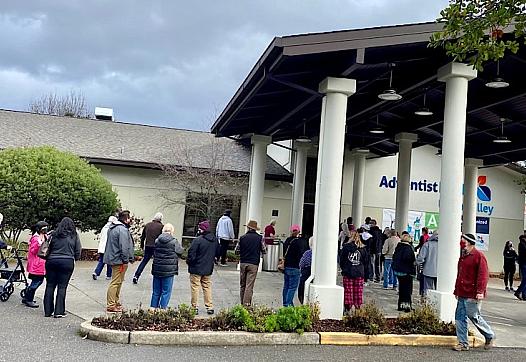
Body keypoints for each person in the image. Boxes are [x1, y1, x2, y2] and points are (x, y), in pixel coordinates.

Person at [453, 233, 495, 351]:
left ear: (469, 242)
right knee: (460, 318)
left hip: (472, 294)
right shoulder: (463, 256)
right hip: (462, 292)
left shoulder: (478, 256)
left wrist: (480, 291)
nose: (461, 242)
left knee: (474, 316)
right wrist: (457, 290)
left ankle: (489, 335)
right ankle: (463, 343)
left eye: (463, 240)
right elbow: (460, 275)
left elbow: (483, 275)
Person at [43, 217, 81, 318]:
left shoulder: (53, 234)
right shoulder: (74, 235)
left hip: (51, 261)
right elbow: (78, 251)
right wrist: (74, 259)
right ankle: (59, 311)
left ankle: (47, 311)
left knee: (50, 285)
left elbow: (47, 248)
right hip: (67, 261)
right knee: (62, 287)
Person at [104, 210, 135, 313]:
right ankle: (111, 304)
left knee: (118, 282)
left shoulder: (113, 228)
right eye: (129, 218)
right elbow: (124, 246)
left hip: (114, 258)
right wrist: (126, 259)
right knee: (116, 282)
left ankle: (115, 302)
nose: (130, 220)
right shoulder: (122, 230)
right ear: (126, 219)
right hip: (119, 260)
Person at [187, 220, 220, 315]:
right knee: (207, 287)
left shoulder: (197, 240)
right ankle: (209, 306)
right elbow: (218, 253)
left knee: (195, 287)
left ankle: (194, 307)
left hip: (196, 268)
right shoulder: (214, 240)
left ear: (202, 229)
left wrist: (189, 262)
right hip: (208, 268)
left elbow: (191, 254)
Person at [150, 223, 184, 309]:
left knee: (156, 291)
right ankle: (162, 309)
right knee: (166, 291)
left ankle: (153, 309)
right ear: (172, 231)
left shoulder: (157, 241)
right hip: (169, 270)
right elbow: (180, 251)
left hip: (157, 269)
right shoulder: (174, 241)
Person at [339, 230, 369, 313]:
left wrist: (344, 269)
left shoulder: (346, 247)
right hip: (359, 272)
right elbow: (366, 263)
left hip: (348, 272)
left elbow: (341, 260)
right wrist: (366, 276)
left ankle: (347, 308)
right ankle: (357, 308)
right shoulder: (363, 249)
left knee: (348, 291)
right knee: (358, 292)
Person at [238, 220, 265, 306]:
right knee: (249, 285)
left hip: (243, 262)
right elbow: (264, 250)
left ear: (248, 228)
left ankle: (242, 303)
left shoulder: (242, 238)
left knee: (242, 285)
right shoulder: (260, 238)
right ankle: (246, 304)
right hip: (253, 263)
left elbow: (236, 251)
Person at [282, 224, 309, 306]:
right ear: (298, 231)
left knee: (286, 286)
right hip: (295, 267)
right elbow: (301, 254)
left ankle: (285, 303)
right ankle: (288, 304)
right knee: (292, 288)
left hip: (286, 266)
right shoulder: (299, 242)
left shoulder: (287, 240)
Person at [23, 221, 49, 308]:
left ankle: (27, 297)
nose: (45, 230)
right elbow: (33, 251)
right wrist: (40, 244)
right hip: (36, 264)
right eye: (43, 228)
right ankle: (28, 299)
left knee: (37, 281)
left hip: (41, 264)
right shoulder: (35, 238)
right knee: (36, 282)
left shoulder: (45, 236)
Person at [133, 212, 164, 284]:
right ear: (161, 219)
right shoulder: (161, 226)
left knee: (144, 261)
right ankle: (156, 277)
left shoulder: (147, 225)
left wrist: (141, 246)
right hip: (157, 247)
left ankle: (136, 276)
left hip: (148, 245)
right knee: (156, 262)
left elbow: (143, 237)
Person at [392, 233, 416, 312]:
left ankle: (400, 305)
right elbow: (409, 260)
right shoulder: (408, 248)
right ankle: (407, 306)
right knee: (407, 290)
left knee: (401, 289)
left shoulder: (398, 247)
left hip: (399, 271)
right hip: (407, 272)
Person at [92, 216, 117, 281]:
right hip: (108, 248)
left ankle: (98, 273)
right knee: (109, 261)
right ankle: (107, 275)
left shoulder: (104, 227)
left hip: (102, 248)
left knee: (102, 261)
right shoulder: (112, 228)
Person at [416, 230, 438, 296]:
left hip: (428, 270)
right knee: (439, 290)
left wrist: (417, 263)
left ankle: (428, 304)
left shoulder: (427, 244)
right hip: (441, 273)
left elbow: (421, 258)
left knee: (428, 290)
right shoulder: (445, 245)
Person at [298, 237, 313, 305]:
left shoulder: (308, 253)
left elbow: (301, 264)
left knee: (302, 288)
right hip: (314, 273)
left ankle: (303, 301)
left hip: (306, 272)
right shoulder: (320, 254)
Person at [514, 235, 526, 300]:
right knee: (525, 279)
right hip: (523, 263)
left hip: (524, 263)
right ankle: (518, 292)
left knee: (525, 280)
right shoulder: (521, 244)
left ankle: (524, 295)